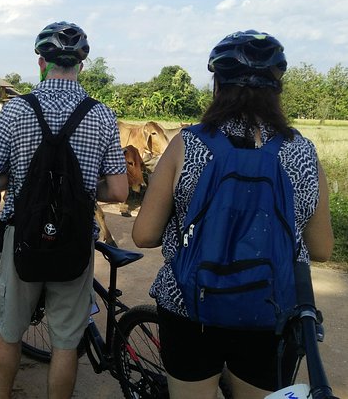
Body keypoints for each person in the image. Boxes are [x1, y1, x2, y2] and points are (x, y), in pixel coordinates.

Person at [132, 30, 334, 399]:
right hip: (272, 312)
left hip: (189, 307)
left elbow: (143, 235)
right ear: (277, 90)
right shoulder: (302, 151)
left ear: (217, 86)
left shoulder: (187, 143)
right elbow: (321, 249)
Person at [0, 21, 129, 399]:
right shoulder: (102, 115)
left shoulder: (15, 110)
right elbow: (118, 190)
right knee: (65, 343)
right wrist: (76, 188)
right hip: (74, 241)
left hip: (23, 240)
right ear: (81, 65)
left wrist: (24, 182)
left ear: (41, 62)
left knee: (10, 332)